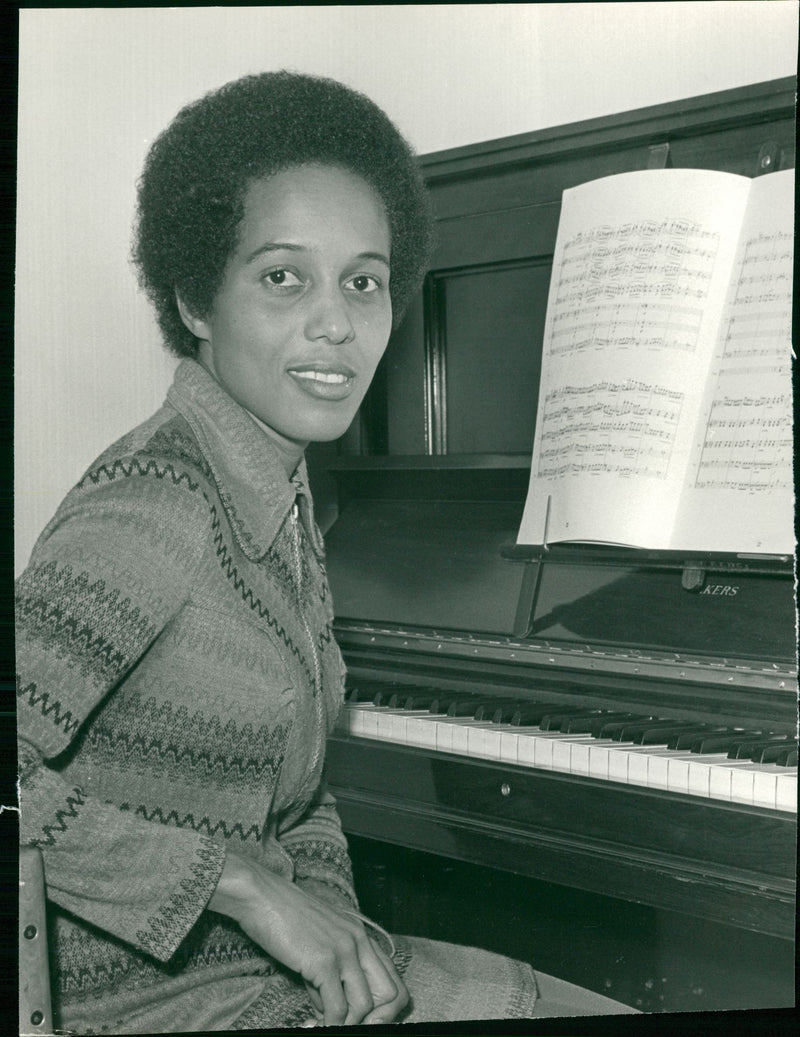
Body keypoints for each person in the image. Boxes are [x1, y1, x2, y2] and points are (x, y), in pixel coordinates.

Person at [16, 70, 637, 1032]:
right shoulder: (157, 501)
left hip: (277, 977)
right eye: (282, 277)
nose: (337, 323)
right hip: (147, 999)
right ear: (192, 296)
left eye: (363, 281)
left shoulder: (281, 492)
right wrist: (240, 886)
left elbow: (295, 797)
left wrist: (340, 932)